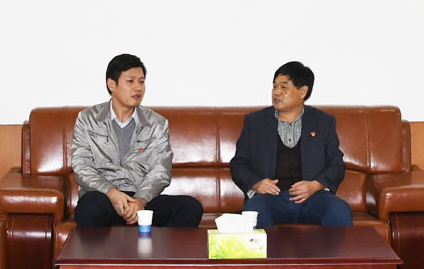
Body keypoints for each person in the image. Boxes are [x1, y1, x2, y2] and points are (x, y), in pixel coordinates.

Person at [71, 53, 203, 228]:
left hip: (142, 200)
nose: (138, 88)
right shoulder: (87, 119)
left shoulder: (156, 123)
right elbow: (81, 166)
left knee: (190, 207)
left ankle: (157, 246)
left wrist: (140, 200)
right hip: (104, 198)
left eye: (141, 82)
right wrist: (112, 192)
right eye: (130, 81)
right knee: (90, 206)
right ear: (112, 84)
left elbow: (161, 169)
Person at [230, 61, 353, 227]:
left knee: (339, 211)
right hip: (270, 198)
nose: (276, 92)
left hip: (313, 197)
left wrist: (315, 185)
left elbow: (336, 164)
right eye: (274, 87)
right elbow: (238, 164)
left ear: (303, 91)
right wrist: (257, 184)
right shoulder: (255, 122)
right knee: (254, 211)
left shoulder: (323, 122)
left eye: (284, 87)